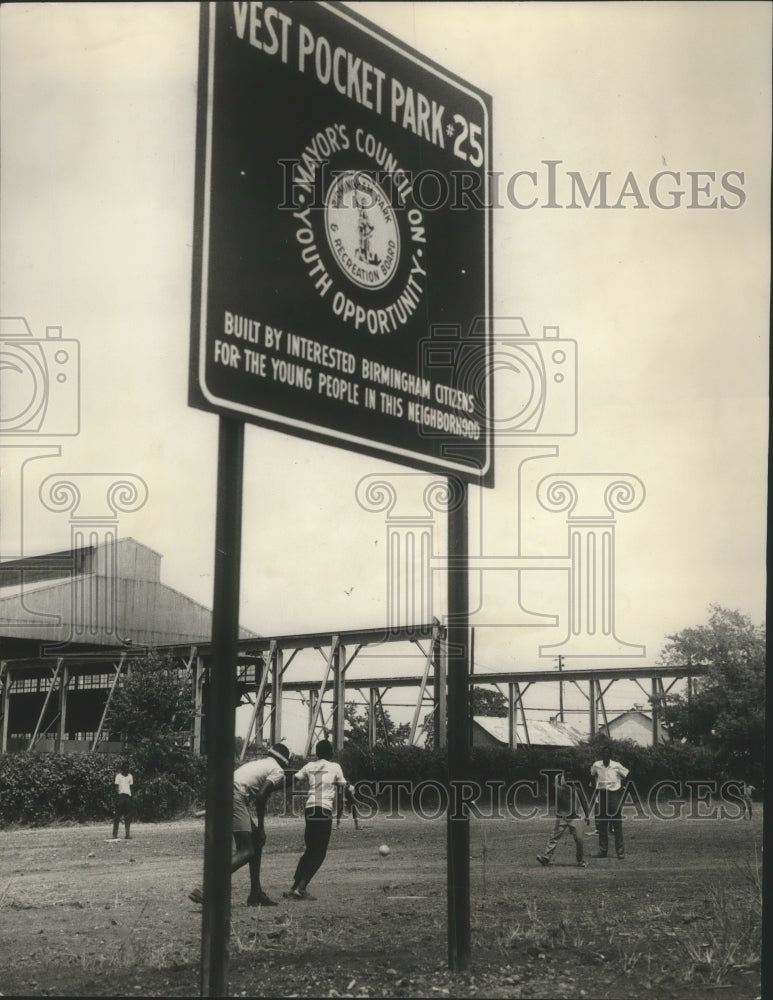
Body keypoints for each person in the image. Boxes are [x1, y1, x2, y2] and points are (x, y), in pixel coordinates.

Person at [189, 742, 291, 907]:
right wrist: (263, 828)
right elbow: (260, 796)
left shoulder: (260, 763)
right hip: (235, 796)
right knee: (247, 850)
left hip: (227, 793)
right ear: (285, 762)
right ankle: (205, 888)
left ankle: (255, 893)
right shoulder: (278, 771)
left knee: (255, 841)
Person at [284, 739, 352, 900]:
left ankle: (294, 887)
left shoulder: (309, 766)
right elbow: (344, 785)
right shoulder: (335, 767)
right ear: (330, 753)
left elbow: (293, 779)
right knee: (320, 852)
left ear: (317, 753)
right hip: (324, 809)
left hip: (310, 808)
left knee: (310, 849)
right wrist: (351, 791)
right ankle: (301, 888)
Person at [537, 771, 589, 868]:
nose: (568, 780)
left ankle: (580, 860)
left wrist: (587, 815)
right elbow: (553, 798)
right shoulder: (559, 790)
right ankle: (546, 857)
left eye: (570, 779)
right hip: (562, 817)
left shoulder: (577, 790)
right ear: (563, 779)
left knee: (579, 840)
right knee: (553, 837)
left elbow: (584, 802)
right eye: (567, 778)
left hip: (575, 817)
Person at [590, 747, 629, 859]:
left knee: (617, 824)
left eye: (607, 754)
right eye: (604, 753)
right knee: (602, 824)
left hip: (614, 795)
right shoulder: (597, 765)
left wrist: (621, 787)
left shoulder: (616, 765)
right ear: (602, 755)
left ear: (610, 755)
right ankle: (603, 851)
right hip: (602, 795)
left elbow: (626, 774)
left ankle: (620, 852)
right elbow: (592, 774)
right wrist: (596, 785)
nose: (605, 756)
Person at [110, 760, 133, 841]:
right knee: (117, 816)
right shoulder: (118, 776)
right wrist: (116, 798)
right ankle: (114, 835)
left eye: (127, 767)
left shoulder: (130, 776)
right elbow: (116, 788)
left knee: (128, 817)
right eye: (125, 767)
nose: (126, 769)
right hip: (120, 797)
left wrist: (131, 798)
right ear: (122, 768)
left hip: (128, 797)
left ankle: (127, 834)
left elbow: (131, 787)